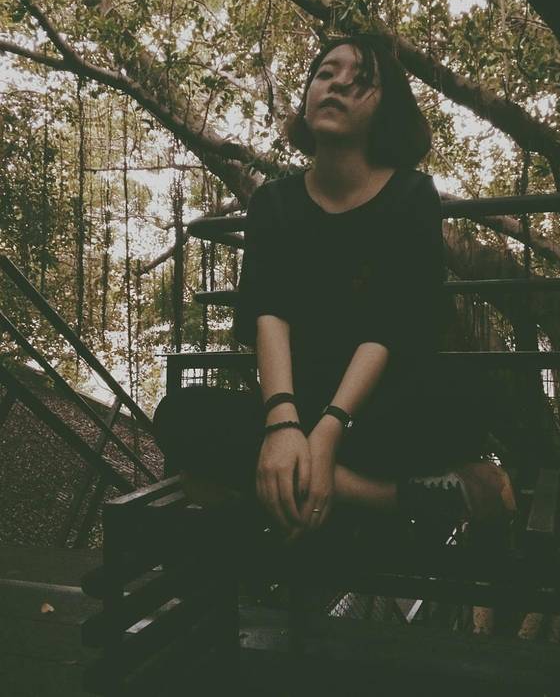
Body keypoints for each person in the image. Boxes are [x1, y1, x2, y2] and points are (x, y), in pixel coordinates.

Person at [154, 34, 515, 551]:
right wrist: (282, 423)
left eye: (361, 80)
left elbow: (389, 328)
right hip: (295, 403)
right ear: (307, 97)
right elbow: (269, 315)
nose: (338, 85)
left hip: (380, 409)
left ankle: (285, 483)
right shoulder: (274, 203)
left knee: (467, 402)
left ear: (386, 109)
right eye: (326, 73)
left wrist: (328, 433)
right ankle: (391, 497)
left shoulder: (412, 196)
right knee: (180, 415)